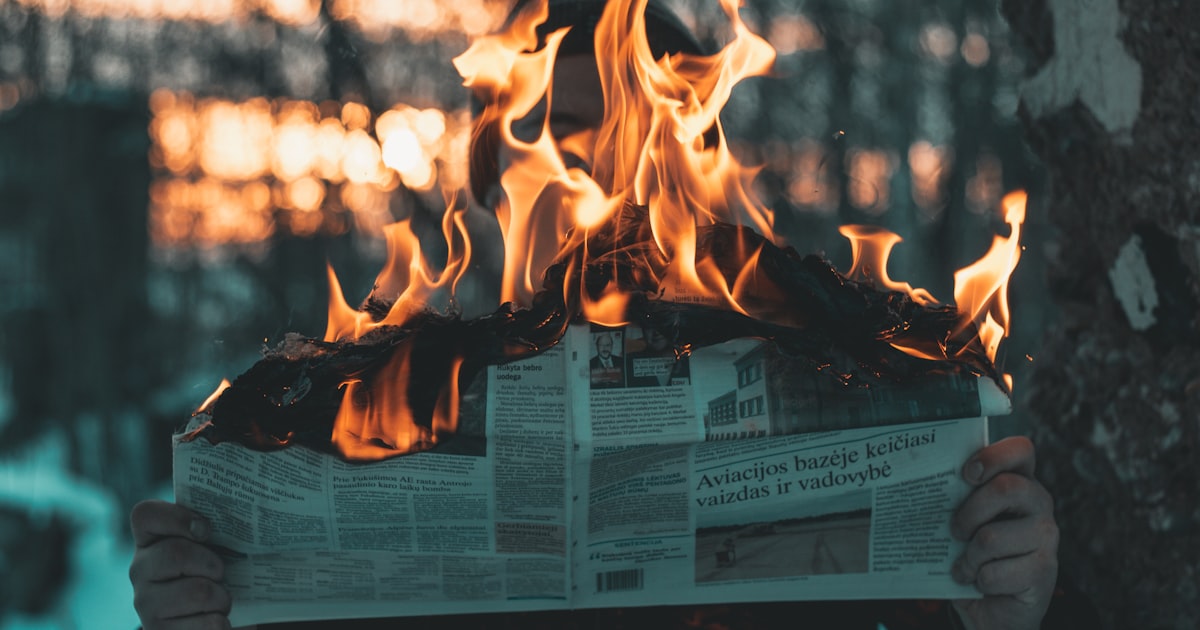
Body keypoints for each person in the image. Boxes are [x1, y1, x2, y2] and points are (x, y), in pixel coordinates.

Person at [130, 1, 1060, 628]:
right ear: (492, 181)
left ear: (690, 161)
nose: (588, 176)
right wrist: (203, 607)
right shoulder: (382, 408)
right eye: (556, 138)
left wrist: (992, 604)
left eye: (628, 134)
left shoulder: (829, 361)